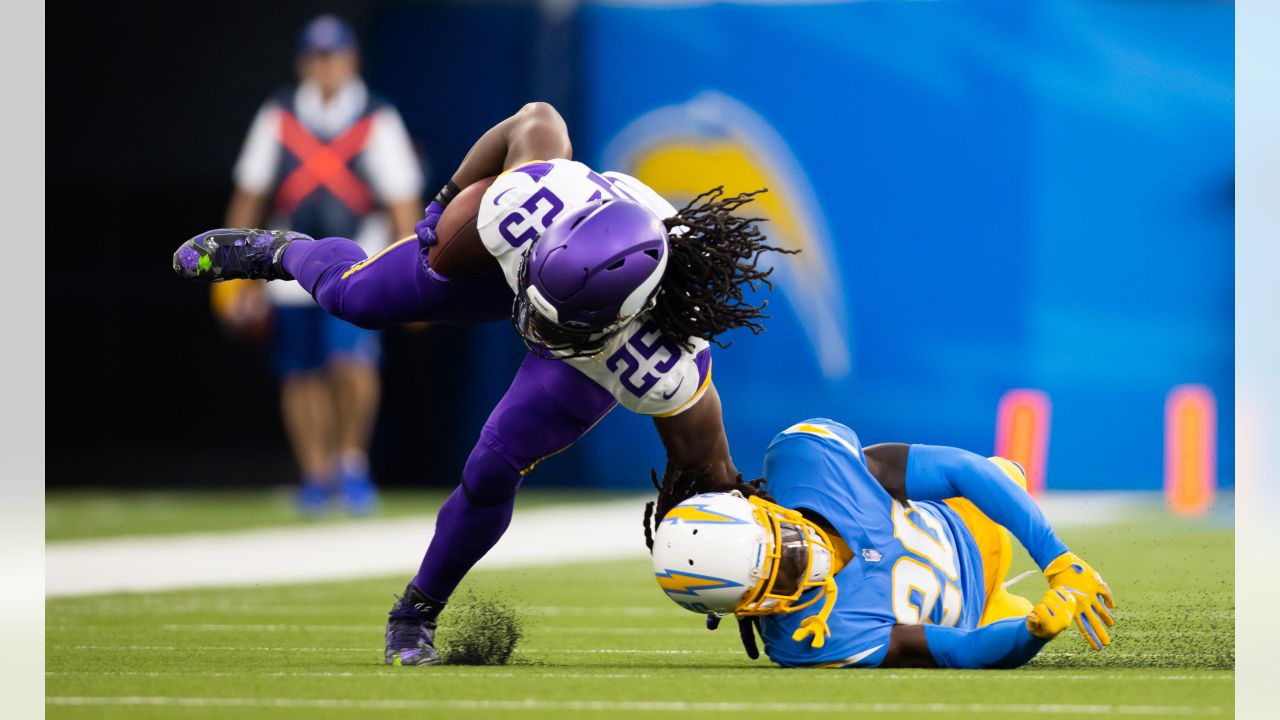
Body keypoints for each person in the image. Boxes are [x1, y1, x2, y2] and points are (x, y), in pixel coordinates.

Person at [172, 101, 792, 665]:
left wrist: (741, 563)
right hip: (517, 268)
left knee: (493, 466)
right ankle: (277, 251)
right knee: (355, 296)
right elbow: (536, 118)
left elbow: (709, 469)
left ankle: (414, 615)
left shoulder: (659, 359)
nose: (535, 331)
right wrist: (445, 199)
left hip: (589, 349)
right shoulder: (519, 206)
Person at [644, 418, 1117, 669]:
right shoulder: (808, 641)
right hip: (982, 615)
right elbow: (961, 651)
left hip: (970, 525)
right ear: (749, 607)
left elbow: (961, 470)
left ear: (761, 506)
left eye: (781, 542)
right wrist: (1030, 635)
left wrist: (1057, 559)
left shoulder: (810, 460)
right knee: (1029, 623)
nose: (802, 558)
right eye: (781, 573)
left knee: (1005, 474)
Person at [213, 14, 424, 515]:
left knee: (350, 362)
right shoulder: (279, 115)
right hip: (290, 259)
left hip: (358, 257)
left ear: (351, 60)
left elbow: (401, 201)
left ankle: (351, 463)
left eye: (335, 57)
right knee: (300, 370)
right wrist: (231, 269)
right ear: (305, 62)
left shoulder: (376, 117)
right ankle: (314, 472)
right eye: (317, 57)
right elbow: (251, 194)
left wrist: (415, 271)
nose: (326, 67)